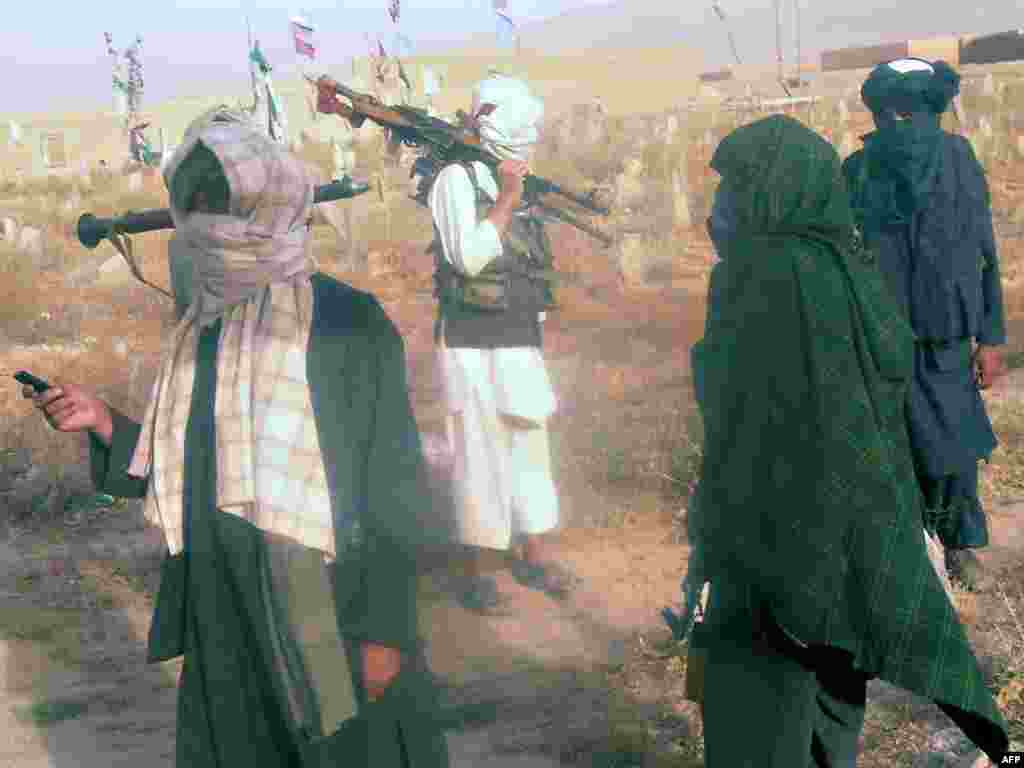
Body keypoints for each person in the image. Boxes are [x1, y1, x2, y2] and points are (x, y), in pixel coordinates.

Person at [25, 107, 449, 768]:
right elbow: (193, 454)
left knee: (343, 748)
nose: (207, 227)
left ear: (272, 206)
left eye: (222, 207)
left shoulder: (346, 322)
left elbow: (394, 484)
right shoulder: (204, 325)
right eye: (194, 208)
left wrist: (385, 631)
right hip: (222, 596)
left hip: (324, 597)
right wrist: (105, 423)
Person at [686, 114, 1008, 767]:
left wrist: (711, 545)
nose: (718, 210)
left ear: (771, 191)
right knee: (831, 702)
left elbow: (745, 424)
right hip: (851, 535)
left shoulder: (763, 275)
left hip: (774, 550)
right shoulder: (844, 263)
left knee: (760, 716)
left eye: (732, 190)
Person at [842, 58, 1007, 590]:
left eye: (912, 111)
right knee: (898, 445)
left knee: (956, 444)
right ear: (877, 112)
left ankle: (960, 545)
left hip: (950, 333)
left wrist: (991, 337)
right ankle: (915, 554)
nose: (900, 124)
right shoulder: (857, 173)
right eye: (890, 113)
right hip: (883, 338)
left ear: (931, 110)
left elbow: (986, 250)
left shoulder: (959, 160)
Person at [426, 73, 579, 613]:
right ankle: (480, 569)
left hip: (518, 338)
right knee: (477, 454)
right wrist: (508, 198)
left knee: (529, 447)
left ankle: (535, 552)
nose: (529, 134)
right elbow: (466, 257)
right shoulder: (455, 180)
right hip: (469, 342)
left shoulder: (517, 180)